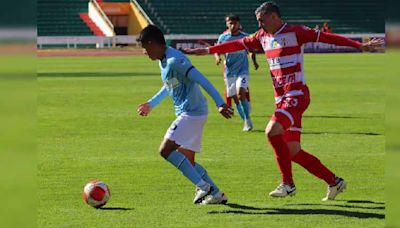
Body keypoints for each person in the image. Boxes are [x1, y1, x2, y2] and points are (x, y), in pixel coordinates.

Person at [184, 1, 383, 200]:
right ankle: (334, 181)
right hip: (282, 99)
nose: (259, 25)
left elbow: (327, 37)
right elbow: (236, 44)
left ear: (273, 17)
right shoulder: (262, 36)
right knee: (293, 151)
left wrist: (359, 45)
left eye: (262, 20)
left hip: (296, 95)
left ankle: (288, 184)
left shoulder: (296, 32)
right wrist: (210, 51)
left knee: (272, 131)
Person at [136, 25, 234, 204]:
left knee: (165, 150)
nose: (144, 52)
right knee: (188, 161)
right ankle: (217, 194)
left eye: (145, 47)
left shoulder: (175, 60)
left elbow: (201, 79)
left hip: (192, 113)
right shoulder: (164, 61)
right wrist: (151, 104)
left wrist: (220, 102)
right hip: (190, 112)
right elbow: (171, 85)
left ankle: (204, 187)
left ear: (153, 43)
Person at [215, 14, 259, 131]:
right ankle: (244, 118)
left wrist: (254, 62)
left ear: (239, 24)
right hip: (229, 72)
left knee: (241, 93)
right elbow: (217, 50)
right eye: (230, 23)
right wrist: (217, 58)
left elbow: (250, 51)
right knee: (235, 98)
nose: (232, 25)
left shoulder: (245, 37)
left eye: (235, 23)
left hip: (242, 70)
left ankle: (247, 120)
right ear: (226, 24)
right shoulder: (223, 38)